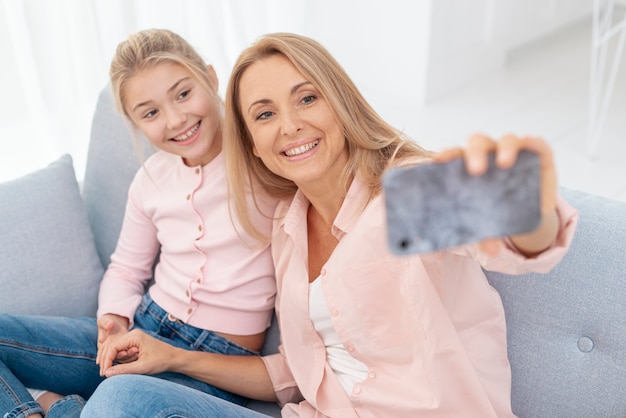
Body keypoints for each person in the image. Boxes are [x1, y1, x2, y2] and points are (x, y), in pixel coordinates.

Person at [82, 32, 578, 418]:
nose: (290, 126)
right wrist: (172, 359)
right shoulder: (287, 227)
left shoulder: (400, 193)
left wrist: (524, 205)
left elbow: (521, 241)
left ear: (339, 101)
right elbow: (296, 376)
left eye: (307, 99)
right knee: (122, 398)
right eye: (265, 114)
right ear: (252, 142)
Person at [0, 28, 278, 418]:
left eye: (183, 93)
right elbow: (127, 269)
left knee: (116, 405)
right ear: (134, 121)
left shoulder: (266, 163)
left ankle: (61, 407)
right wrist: (113, 320)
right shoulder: (151, 180)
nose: (176, 119)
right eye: (150, 112)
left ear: (211, 78)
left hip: (215, 361)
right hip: (142, 328)